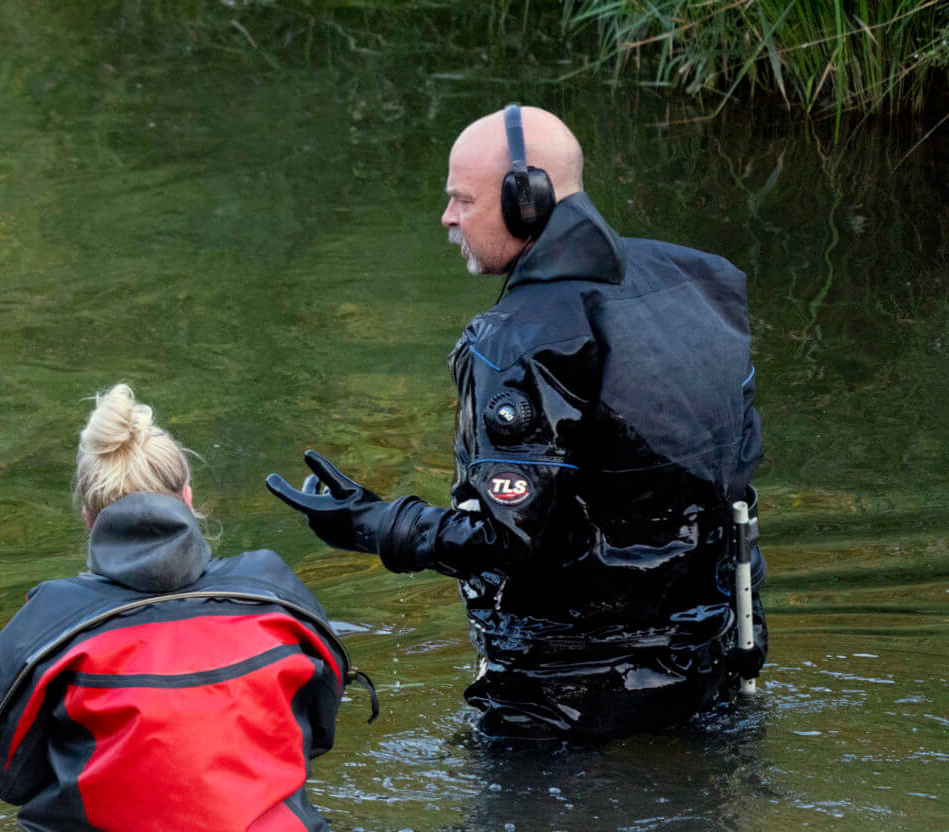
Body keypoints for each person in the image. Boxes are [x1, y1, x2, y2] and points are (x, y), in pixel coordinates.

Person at [268, 104, 767, 740]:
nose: (447, 218)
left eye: (461, 201)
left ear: (523, 201)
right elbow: (735, 475)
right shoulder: (700, 282)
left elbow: (513, 544)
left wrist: (374, 524)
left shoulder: (515, 341)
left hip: (561, 699)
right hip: (712, 664)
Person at [0, 384, 365, 832]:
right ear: (188, 499)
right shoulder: (275, 591)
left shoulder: (51, 620)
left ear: (88, 519)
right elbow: (319, 729)